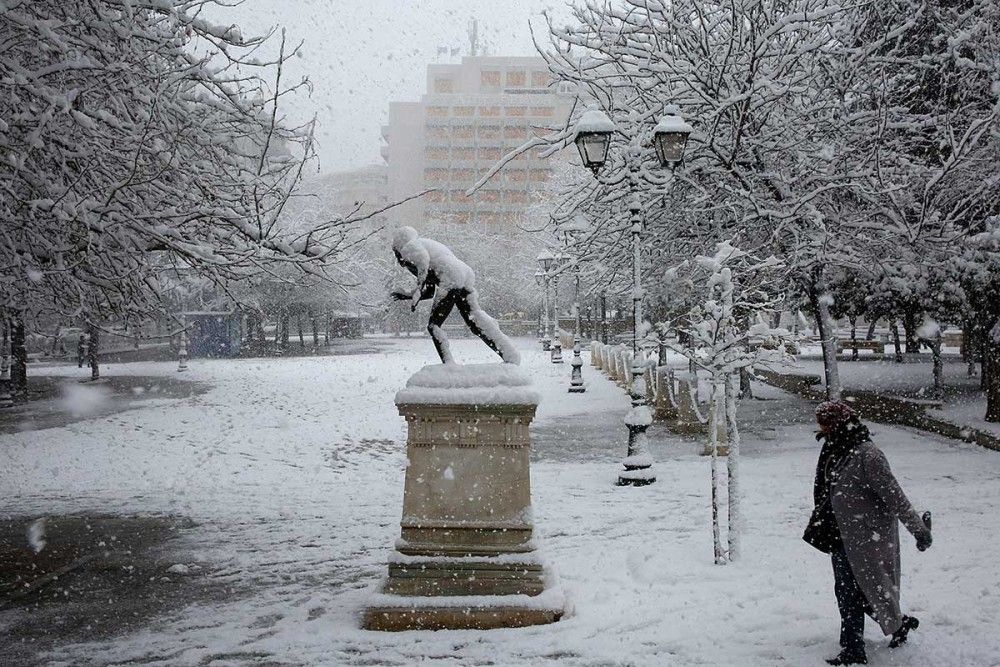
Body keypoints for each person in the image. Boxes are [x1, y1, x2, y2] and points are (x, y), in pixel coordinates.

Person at [804, 400, 932, 666]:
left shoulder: (868, 455)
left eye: (826, 423)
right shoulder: (834, 448)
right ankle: (896, 626)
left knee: (858, 591)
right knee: (849, 591)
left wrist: (919, 530)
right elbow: (825, 487)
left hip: (866, 537)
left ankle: (854, 650)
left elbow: (895, 497)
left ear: (838, 424)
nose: (822, 428)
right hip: (840, 533)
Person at [390, 226, 520, 365]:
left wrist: (415, 296)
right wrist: (408, 295)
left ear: (399, 246)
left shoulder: (412, 248)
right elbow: (429, 291)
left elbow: (423, 270)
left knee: (433, 326)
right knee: (475, 321)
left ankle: (449, 365)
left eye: (395, 252)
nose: (397, 257)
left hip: (450, 278)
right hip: (463, 274)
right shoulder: (425, 246)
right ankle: (509, 354)